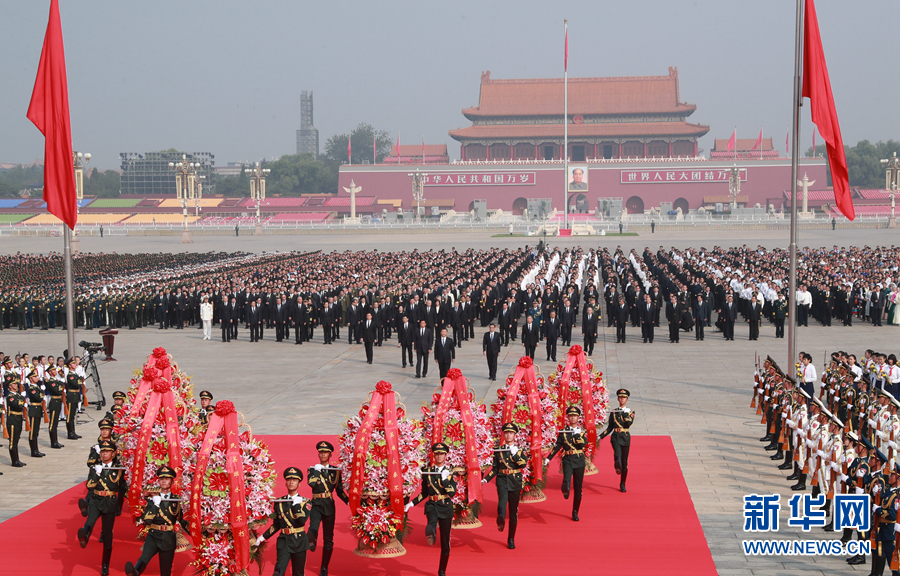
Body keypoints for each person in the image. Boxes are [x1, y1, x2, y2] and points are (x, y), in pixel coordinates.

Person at [125, 466, 189, 576]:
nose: (164, 481)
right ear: (159, 481)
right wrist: (155, 504)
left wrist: (195, 532)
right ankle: (134, 572)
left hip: (168, 537)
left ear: (171, 481)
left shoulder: (176, 500)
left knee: (165, 571)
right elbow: (148, 520)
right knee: (144, 557)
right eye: (161, 479)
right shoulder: (152, 500)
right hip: (153, 536)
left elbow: (182, 520)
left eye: (167, 479)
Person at [406, 442, 456, 576]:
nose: (439, 456)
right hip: (432, 505)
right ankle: (431, 531)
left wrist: (445, 479)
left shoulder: (450, 472)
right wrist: (411, 503)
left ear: (446, 455)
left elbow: (452, 493)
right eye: (437, 454)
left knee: (446, 542)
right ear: (434, 456)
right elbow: (424, 493)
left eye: (441, 454)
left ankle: (441, 570)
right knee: (431, 521)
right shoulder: (427, 471)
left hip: (445, 506)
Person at [77, 440, 126, 576]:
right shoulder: (95, 468)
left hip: (110, 502)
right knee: (90, 520)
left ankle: (105, 565)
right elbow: (89, 486)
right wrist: (97, 473)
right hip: (96, 499)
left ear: (113, 453)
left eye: (107, 451)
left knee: (107, 535)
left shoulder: (119, 469)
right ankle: (85, 537)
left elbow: (123, 487)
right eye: (103, 451)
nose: (104, 454)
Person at [257, 467, 312, 576]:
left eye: (295, 480)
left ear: (299, 484)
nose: (291, 482)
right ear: (285, 483)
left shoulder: (305, 502)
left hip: (299, 541)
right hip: (284, 541)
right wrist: (262, 537)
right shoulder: (279, 502)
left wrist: (296, 505)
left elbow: (301, 521)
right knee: (279, 571)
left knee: (298, 573)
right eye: (289, 480)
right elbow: (277, 524)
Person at [482, 423, 528, 550]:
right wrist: (485, 479)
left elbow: (522, 464)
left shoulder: (519, 450)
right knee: (502, 501)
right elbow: (495, 469)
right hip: (502, 479)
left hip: (515, 481)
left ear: (514, 435)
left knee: (514, 511)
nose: (508, 435)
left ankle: (511, 538)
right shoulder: (499, 450)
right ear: (504, 435)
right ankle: (501, 519)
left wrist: (515, 454)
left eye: (511, 433)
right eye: (506, 433)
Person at [306, 442, 348, 576]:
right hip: (316, 503)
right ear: (318, 454)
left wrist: (348, 502)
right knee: (313, 526)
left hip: (329, 505)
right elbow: (311, 483)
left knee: (329, 539)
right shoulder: (313, 469)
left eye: (325, 452)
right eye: (321, 452)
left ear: (330, 454)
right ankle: (312, 538)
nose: (323, 454)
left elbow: (339, 491)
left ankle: (324, 567)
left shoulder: (335, 471)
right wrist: (317, 471)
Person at [545, 406, 587, 521]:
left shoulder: (582, 431)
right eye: (571, 416)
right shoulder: (563, 432)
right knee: (567, 476)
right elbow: (557, 447)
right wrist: (548, 459)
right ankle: (566, 487)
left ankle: (575, 511)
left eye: (575, 415)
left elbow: (583, 445)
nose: (573, 417)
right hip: (568, 458)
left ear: (578, 417)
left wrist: (577, 435)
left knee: (579, 488)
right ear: (568, 417)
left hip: (579, 459)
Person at [599, 389, 635, 492]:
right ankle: (616, 463)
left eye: (624, 397)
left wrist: (624, 413)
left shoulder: (630, 412)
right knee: (617, 452)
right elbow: (610, 428)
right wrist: (600, 437)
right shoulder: (614, 412)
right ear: (618, 399)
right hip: (615, 436)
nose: (622, 399)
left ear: (627, 399)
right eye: (620, 397)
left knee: (625, 462)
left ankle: (622, 483)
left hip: (625, 437)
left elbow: (628, 423)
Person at [23, 368, 46, 458]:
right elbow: (39, 397)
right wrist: (42, 391)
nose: (37, 378)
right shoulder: (31, 389)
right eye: (35, 376)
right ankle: (33, 451)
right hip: (34, 410)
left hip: (38, 410)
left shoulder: (37, 387)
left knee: (36, 431)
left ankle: (36, 450)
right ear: (31, 379)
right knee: (33, 432)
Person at [6, 379, 25, 467]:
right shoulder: (10, 396)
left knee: (16, 440)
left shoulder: (17, 395)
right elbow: (18, 405)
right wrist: (22, 397)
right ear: (10, 386)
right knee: (12, 441)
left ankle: (17, 459)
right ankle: (14, 461)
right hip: (13, 420)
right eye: (14, 384)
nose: (16, 385)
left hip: (18, 419)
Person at [45, 364, 65, 448]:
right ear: (50, 372)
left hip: (58, 402)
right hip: (54, 401)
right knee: (52, 423)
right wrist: (61, 384)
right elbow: (57, 390)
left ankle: (56, 441)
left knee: (56, 423)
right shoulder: (51, 381)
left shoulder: (56, 380)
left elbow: (61, 387)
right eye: (53, 370)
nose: (55, 371)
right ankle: (53, 442)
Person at [65, 357, 83, 440]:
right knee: (70, 416)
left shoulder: (74, 374)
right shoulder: (70, 375)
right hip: (71, 396)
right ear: (69, 365)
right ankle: (70, 433)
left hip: (75, 396)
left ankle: (73, 432)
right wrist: (80, 379)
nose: (75, 364)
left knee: (73, 415)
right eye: (73, 363)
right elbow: (76, 384)